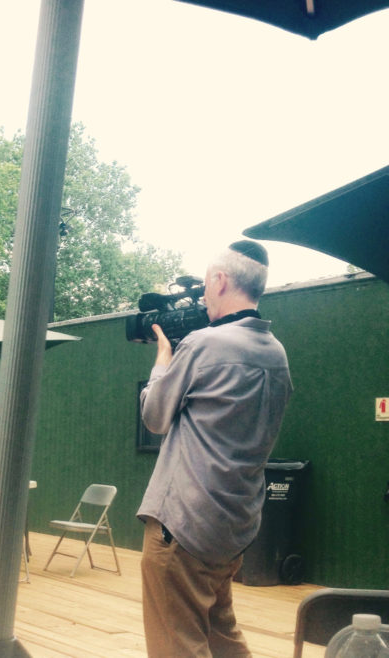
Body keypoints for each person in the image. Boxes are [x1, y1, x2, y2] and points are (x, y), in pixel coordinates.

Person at [137, 240, 293, 658]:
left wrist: (163, 359)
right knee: (221, 635)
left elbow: (154, 416)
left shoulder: (204, 344)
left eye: (206, 285)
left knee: (177, 645)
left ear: (221, 280)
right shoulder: (276, 353)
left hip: (182, 526)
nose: (203, 295)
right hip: (234, 527)